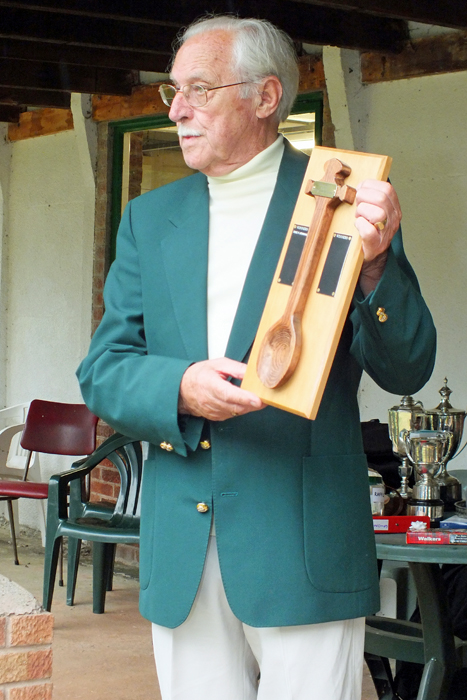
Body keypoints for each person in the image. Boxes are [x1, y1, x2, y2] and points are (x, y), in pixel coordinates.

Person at [77, 15, 436, 700]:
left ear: (266, 97)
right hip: (181, 551)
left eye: (201, 89)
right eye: (172, 91)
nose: (178, 108)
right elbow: (104, 370)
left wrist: (377, 264)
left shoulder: (343, 200)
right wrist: (179, 386)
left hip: (303, 549)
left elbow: (407, 367)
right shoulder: (148, 220)